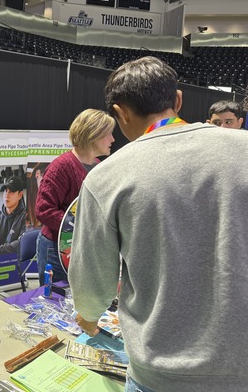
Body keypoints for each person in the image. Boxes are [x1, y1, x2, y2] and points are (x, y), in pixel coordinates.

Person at [68, 56, 248, 391]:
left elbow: (92, 284)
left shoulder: (108, 177)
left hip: (160, 374)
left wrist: (89, 316)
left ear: (119, 114)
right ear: (178, 100)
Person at [34, 109, 115, 285]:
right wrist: (80, 225)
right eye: (108, 134)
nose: (113, 139)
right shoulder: (61, 167)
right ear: (93, 135)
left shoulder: (99, 167)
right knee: (56, 300)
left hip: (80, 248)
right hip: (56, 249)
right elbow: (43, 210)